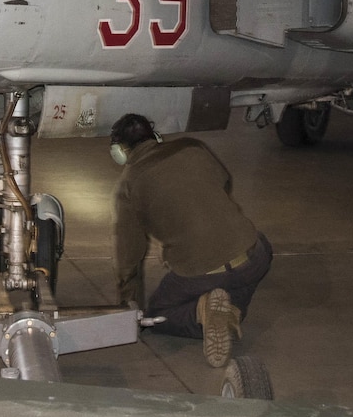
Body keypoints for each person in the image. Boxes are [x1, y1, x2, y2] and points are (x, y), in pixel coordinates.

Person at [109, 113, 271, 367]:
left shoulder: (128, 186)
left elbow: (128, 259)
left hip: (200, 272)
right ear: (156, 136)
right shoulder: (192, 147)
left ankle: (201, 313)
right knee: (261, 250)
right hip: (253, 255)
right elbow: (224, 181)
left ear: (119, 151)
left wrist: (131, 312)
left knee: (158, 315)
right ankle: (229, 308)